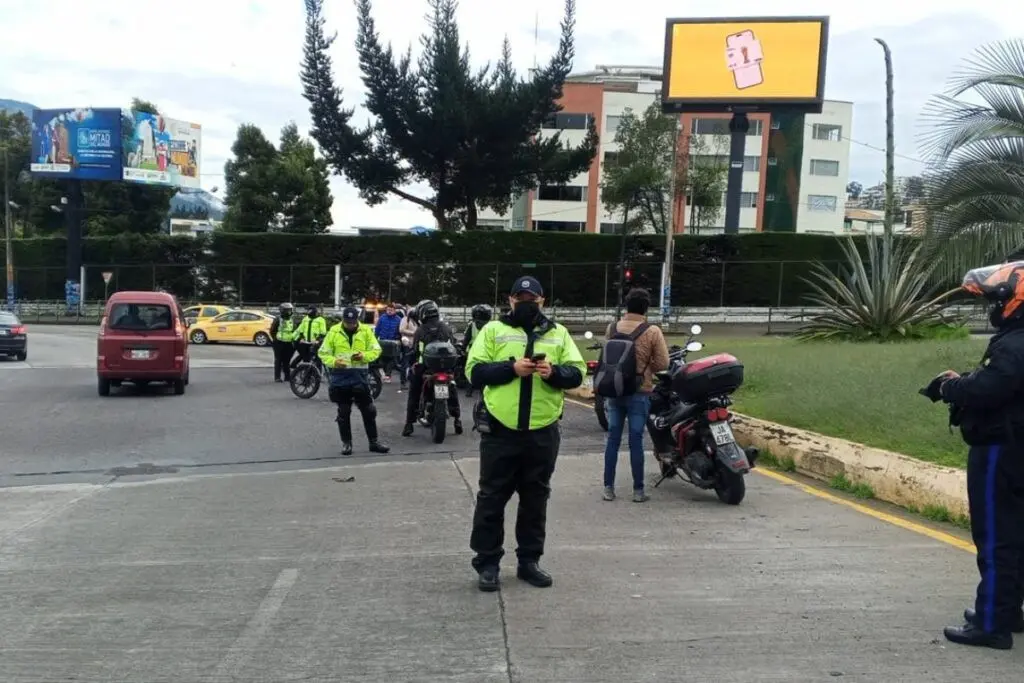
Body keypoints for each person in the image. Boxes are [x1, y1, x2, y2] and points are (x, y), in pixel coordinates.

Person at [465, 276, 586, 592]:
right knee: (492, 498)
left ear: (543, 301)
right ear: (510, 300)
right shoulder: (493, 331)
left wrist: (554, 373)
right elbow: (473, 372)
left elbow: (577, 373)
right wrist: (511, 369)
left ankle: (529, 561)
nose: (526, 303)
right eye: (521, 297)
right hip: (501, 431)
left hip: (542, 432)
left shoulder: (557, 334)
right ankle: (488, 564)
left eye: (532, 298)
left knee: (536, 499)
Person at [926, 261, 1024, 650]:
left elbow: (991, 388)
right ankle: (1007, 611)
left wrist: (951, 388)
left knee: (997, 535)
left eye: (996, 300)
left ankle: (991, 625)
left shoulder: (1015, 343)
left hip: (1001, 448)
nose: (992, 307)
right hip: (1017, 446)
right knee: (1017, 534)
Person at [600, 288, 670, 503]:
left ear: (626, 305)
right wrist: (645, 367)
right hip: (640, 391)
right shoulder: (652, 332)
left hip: (615, 389)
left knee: (613, 438)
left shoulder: (612, 328)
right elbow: (663, 363)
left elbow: (607, 356)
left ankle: (608, 488)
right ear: (646, 308)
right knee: (636, 440)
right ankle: (638, 491)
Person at [318, 307, 390, 456]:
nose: (350, 325)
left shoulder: (365, 331)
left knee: (369, 411)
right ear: (343, 320)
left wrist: (363, 356)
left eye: (352, 322)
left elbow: (376, 350)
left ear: (357, 320)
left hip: (359, 377)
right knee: (344, 412)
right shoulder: (334, 331)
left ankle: (374, 442)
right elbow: (323, 353)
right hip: (340, 376)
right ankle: (346, 444)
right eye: (347, 322)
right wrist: (334, 361)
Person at [403, 300, 462, 436]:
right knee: (452, 389)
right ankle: (457, 420)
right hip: (446, 368)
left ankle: (409, 424)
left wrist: (411, 362)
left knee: (414, 392)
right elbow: (453, 345)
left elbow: (415, 351)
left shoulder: (420, 330)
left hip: (425, 368)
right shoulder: (445, 327)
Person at [290, 305, 328, 371]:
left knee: (317, 359)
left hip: (315, 343)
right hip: (306, 342)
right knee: (306, 359)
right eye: (308, 310)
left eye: (309, 310)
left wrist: (318, 340)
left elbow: (323, 332)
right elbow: (301, 330)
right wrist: (301, 338)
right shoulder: (305, 319)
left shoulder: (321, 320)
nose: (308, 312)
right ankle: (306, 373)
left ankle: (318, 374)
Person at [269, 302, 298, 382]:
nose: (289, 312)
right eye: (287, 310)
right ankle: (277, 377)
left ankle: (287, 377)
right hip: (279, 342)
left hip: (289, 342)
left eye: (290, 310)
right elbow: (272, 331)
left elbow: (295, 330)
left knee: (287, 360)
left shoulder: (292, 320)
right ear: (282, 310)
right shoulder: (278, 319)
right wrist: (275, 339)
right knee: (278, 360)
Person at [375, 303, 403, 382]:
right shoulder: (382, 318)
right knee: (383, 359)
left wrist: (400, 340)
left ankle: (388, 375)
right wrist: (375, 339)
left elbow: (400, 331)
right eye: (388, 310)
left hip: (393, 342)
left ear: (394, 310)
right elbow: (377, 329)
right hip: (383, 341)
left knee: (392, 359)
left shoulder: (398, 319)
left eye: (391, 310)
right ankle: (384, 373)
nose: (389, 311)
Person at [398, 306, 420, 390]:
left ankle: (412, 380)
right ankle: (403, 381)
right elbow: (401, 329)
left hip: (414, 344)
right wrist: (413, 333)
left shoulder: (415, 321)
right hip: (407, 343)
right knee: (405, 362)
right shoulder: (405, 319)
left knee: (413, 363)